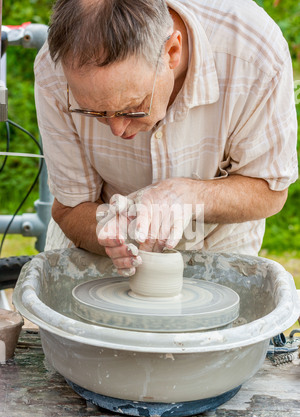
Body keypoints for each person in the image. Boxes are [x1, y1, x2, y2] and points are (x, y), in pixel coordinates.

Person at [34, 0, 298, 276]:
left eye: (132, 108)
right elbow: (69, 208)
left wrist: (188, 195)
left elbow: (270, 190)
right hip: (98, 258)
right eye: (94, 111)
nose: (117, 129)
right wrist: (111, 233)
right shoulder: (55, 69)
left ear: (172, 51)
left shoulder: (254, 51)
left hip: (219, 248)